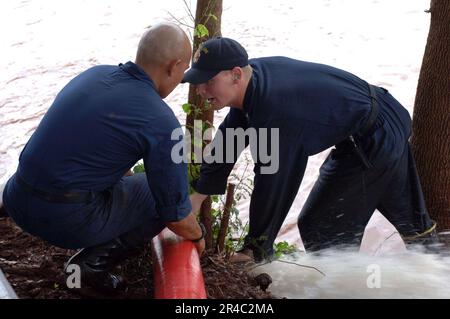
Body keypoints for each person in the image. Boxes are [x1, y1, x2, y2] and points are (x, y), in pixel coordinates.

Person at [184, 37, 438, 262]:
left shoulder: (276, 111)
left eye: (208, 81)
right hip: (382, 115)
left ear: (236, 74)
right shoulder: (252, 81)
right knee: (414, 226)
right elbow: (231, 135)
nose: (200, 89)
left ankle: (349, 290)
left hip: (373, 138)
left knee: (320, 227)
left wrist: (255, 249)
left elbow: (274, 181)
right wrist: (199, 195)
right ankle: (438, 275)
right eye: (197, 82)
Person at [2, 22, 206, 293]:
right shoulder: (160, 120)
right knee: (159, 193)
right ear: (174, 65)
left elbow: (90, 147)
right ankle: (90, 267)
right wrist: (199, 235)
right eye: (182, 72)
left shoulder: (94, 75)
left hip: (16, 200)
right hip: (64, 222)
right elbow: (176, 214)